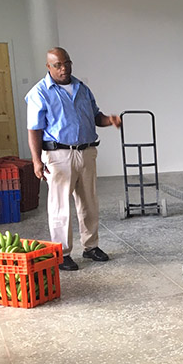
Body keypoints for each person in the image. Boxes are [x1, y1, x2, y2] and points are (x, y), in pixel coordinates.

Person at [26, 47, 121, 271]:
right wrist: (36, 161)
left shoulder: (82, 88)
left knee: (89, 202)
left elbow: (96, 116)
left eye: (67, 63)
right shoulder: (40, 92)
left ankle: (90, 247)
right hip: (58, 155)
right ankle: (62, 253)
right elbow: (34, 130)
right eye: (58, 65)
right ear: (48, 67)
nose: (64, 68)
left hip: (86, 153)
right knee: (60, 207)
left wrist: (111, 120)